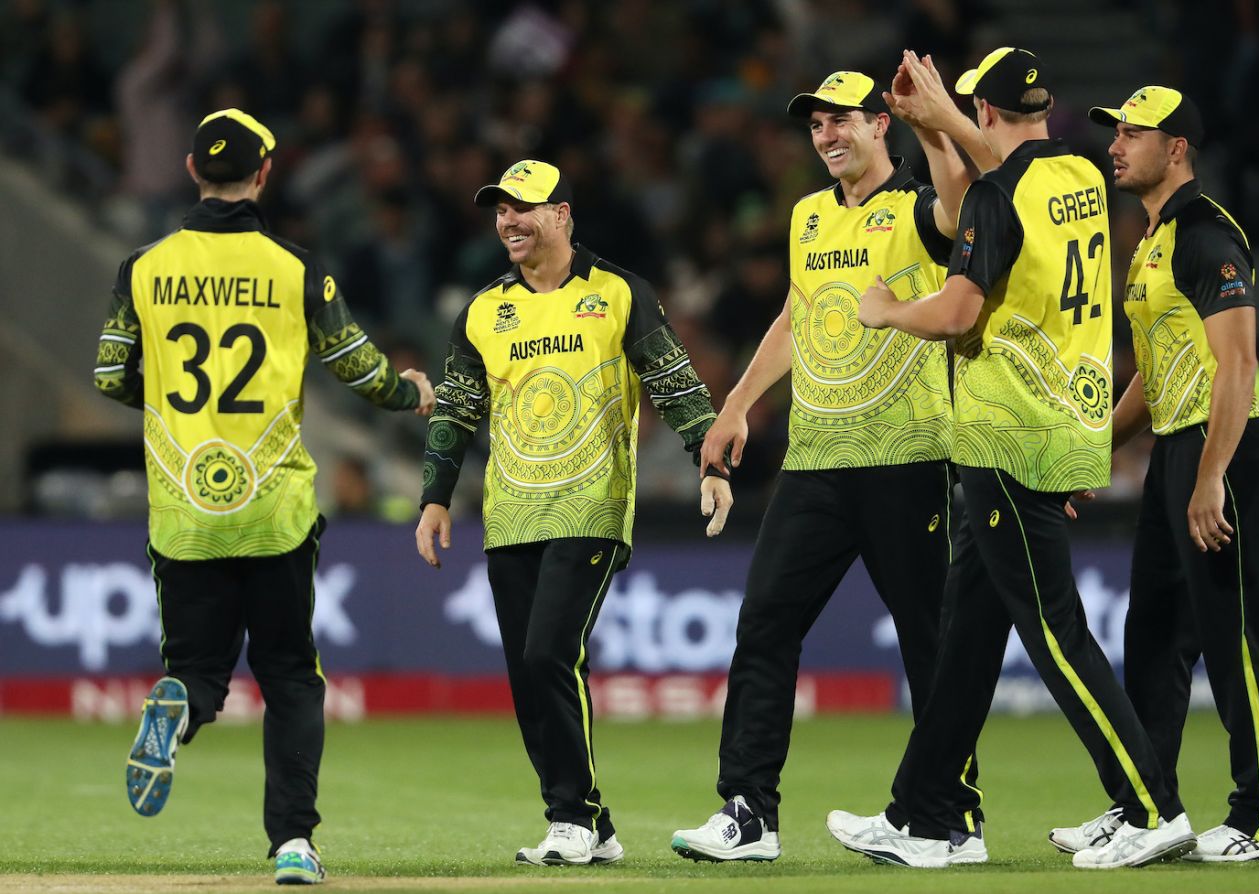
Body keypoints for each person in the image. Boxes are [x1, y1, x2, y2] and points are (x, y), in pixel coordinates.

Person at [824, 48, 1196, 869]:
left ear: (985, 114)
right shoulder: (1078, 179)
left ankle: (1151, 806)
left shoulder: (998, 198)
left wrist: (886, 310)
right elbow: (1005, 170)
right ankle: (925, 816)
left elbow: (958, 312)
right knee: (965, 644)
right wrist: (940, 127)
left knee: (1057, 635)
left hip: (1004, 436)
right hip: (1064, 425)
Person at [94, 108, 435, 886]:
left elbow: (111, 376)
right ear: (266, 173)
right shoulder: (297, 269)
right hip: (273, 505)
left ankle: (179, 706)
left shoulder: (141, 268)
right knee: (287, 675)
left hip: (184, 507)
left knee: (199, 669)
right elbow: (358, 369)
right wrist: (406, 389)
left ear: (190, 171)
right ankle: (293, 845)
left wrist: (171, 406)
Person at [669, 63, 986, 862]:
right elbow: (794, 314)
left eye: (843, 119)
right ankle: (749, 815)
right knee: (765, 624)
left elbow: (959, 210)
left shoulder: (916, 204)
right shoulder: (808, 216)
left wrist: (934, 121)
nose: (828, 134)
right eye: (816, 124)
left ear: (880, 124)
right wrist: (737, 403)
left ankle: (952, 818)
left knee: (929, 641)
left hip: (907, 454)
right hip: (815, 461)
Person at [414, 159, 733, 867]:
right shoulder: (482, 310)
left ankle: (572, 820)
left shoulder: (618, 292)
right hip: (510, 513)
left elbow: (674, 381)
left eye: (523, 208)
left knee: (548, 653)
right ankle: (594, 823)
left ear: (561, 214)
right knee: (529, 673)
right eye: (500, 210)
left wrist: (709, 465)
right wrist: (435, 497)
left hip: (591, 506)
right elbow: (458, 410)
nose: (508, 222)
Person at [1050, 87, 1259, 862]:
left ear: (1176, 147)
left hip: (1223, 451)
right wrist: (1096, 452)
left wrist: (1211, 478)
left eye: (1132, 134)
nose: (1115, 145)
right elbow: (1154, 374)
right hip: (1177, 454)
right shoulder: (1154, 240)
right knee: (1151, 637)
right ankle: (1149, 808)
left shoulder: (1208, 233)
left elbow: (1239, 363)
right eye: (1114, 132)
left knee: (1236, 640)